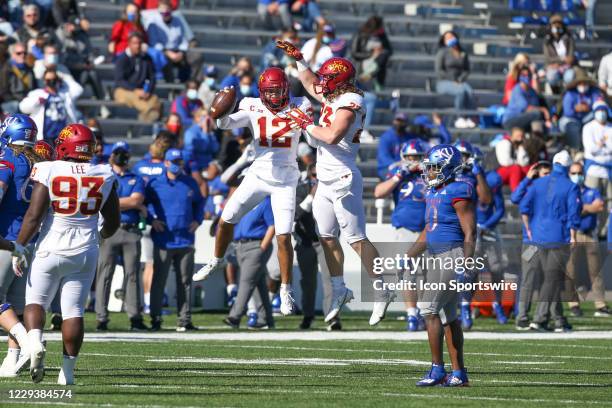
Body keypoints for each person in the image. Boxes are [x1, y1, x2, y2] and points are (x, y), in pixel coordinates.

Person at [275, 44, 394, 325]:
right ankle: (340, 289)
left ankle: (382, 288)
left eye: (328, 79)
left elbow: (331, 135)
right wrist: (300, 60)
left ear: (340, 82)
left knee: (356, 239)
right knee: (326, 236)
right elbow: (309, 82)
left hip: (343, 176)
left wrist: (305, 123)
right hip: (325, 179)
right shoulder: (334, 93)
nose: (322, 83)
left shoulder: (351, 101)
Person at [193, 67, 312, 316]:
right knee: (226, 218)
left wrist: (307, 124)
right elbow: (226, 124)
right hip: (258, 174)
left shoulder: (301, 104)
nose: (275, 96)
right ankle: (216, 260)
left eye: (279, 91)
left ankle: (286, 289)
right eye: (270, 92)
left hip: (286, 179)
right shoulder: (251, 104)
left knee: (283, 236)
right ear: (261, 92)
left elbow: (312, 141)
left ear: (287, 89)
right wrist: (218, 110)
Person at [12, 123, 120, 385]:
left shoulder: (49, 168)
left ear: (64, 145)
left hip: (50, 246)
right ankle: (67, 373)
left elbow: (34, 215)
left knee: (35, 302)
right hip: (85, 250)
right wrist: (101, 236)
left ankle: (35, 340)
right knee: (73, 311)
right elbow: (114, 221)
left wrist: (20, 246)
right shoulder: (104, 173)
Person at [406, 144, 475, 387]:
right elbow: (429, 230)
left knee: (427, 308)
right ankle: (459, 374)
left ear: (448, 168)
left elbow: (470, 232)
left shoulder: (459, 190)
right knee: (449, 317)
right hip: (437, 256)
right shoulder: (434, 192)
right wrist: (409, 255)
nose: (430, 172)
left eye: (435, 168)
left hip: (451, 255)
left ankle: (437, 369)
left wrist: (466, 264)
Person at [519, 150, 581, 332]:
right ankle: (540, 319)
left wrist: (529, 228)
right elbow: (573, 214)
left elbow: (523, 206)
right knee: (552, 279)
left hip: (537, 237)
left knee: (548, 279)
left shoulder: (537, 184)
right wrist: (573, 235)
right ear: (568, 166)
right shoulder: (570, 186)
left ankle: (558, 320)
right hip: (558, 237)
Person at [0, 114, 42, 378]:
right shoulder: (40, 162)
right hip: (32, 241)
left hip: (6, 240)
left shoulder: (6, 159)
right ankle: (11, 364)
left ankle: (29, 344)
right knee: (14, 306)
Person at [145, 148, 203, 331]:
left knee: (185, 281)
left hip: (185, 240)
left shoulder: (190, 182)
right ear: (166, 163)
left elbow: (200, 203)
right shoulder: (155, 184)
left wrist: (198, 220)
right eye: (174, 162)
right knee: (159, 281)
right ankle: (155, 318)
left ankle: (184, 319)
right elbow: (143, 204)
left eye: (180, 162)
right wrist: (151, 220)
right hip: (164, 240)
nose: (177, 165)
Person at [95, 142, 149, 331]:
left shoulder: (136, 178)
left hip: (130, 229)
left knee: (133, 274)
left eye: (123, 153)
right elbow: (101, 200)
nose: (120, 156)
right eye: (117, 153)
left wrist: (121, 203)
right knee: (104, 273)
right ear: (111, 155)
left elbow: (137, 199)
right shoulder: (105, 176)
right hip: (109, 228)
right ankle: (101, 317)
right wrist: (131, 204)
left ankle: (135, 317)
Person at [374, 140, 426, 331]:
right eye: (410, 157)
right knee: (408, 274)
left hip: (428, 230)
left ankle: (424, 312)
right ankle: (412, 315)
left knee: (430, 275)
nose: (413, 161)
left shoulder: (430, 172)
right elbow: (379, 192)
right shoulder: (397, 171)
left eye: (417, 157)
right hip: (404, 229)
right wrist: (397, 177)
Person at [132, 134, 173, 314]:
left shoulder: (139, 166)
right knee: (152, 263)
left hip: (142, 216)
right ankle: (150, 302)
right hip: (157, 217)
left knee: (149, 263)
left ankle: (151, 300)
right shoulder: (165, 168)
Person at [223, 196, 276, 329]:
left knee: (246, 282)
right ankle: (266, 319)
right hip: (241, 246)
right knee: (259, 284)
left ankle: (235, 317)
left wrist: (262, 247)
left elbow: (272, 225)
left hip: (256, 245)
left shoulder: (265, 201)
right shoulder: (242, 202)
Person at [565, 162, 610, 317]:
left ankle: (600, 304)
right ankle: (573, 304)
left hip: (590, 233)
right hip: (573, 233)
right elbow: (569, 211)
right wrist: (587, 208)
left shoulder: (592, 191)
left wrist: (581, 208)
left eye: (579, 173)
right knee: (571, 270)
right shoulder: (568, 191)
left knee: (596, 271)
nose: (577, 176)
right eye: (574, 173)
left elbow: (599, 207)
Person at [511, 160, 552, 330]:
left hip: (550, 241)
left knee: (549, 279)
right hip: (531, 243)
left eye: (549, 173)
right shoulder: (531, 188)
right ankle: (522, 317)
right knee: (528, 279)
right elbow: (514, 198)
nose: (547, 177)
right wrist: (527, 179)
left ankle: (542, 318)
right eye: (543, 173)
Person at [472, 147, 508, 325]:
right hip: (469, 231)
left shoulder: (492, 178)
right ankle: (469, 306)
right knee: (470, 271)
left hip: (489, 229)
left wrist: (486, 225)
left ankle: (498, 304)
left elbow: (500, 209)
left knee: (496, 269)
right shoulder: (459, 178)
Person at [19, 68, 82, 144]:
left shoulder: (65, 93)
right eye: (48, 80)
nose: (51, 82)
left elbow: (79, 89)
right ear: (44, 81)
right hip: (44, 136)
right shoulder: (37, 93)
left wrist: (64, 77)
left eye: (54, 80)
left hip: (63, 136)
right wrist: (37, 101)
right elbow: (23, 108)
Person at [113, 32, 161, 123]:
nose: (137, 46)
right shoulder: (122, 59)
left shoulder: (146, 58)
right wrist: (135, 90)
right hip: (122, 90)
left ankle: (146, 118)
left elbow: (152, 77)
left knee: (154, 98)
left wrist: (148, 91)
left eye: (139, 43)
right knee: (135, 98)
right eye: (135, 43)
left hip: (141, 90)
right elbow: (119, 80)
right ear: (129, 44)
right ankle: (148, 112)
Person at [55, 15, 104, 102]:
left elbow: (89, 53)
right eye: (72, 26)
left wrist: (91, 62)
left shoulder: (81, 35)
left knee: (91, 73)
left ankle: (102, 102)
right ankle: (74, 101)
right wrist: (80, 65)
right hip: (65, 70)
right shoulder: (59, 35)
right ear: (67, 25)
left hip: (81, 68)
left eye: (76, 26)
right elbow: (61, 59)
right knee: (84, 74)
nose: (74, 29)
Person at [582, 100, 611, 239]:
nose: (602, 113)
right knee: (591, 202)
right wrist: (602, 145)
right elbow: (591, 149)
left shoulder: (610, 128)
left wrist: (601, 146)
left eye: (603, 110)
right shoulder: (588, 127)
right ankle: (589, 230)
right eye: (599, 110)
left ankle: (603, 233)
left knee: (608, 204)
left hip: (608, 172)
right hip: (593, 171)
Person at [435, 31, 475, 129]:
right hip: (444, 82)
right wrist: (452, 80)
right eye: (447, 38)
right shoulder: (442, 52)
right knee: (460, 91)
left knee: (469, 91)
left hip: (459, 81)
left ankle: (469, 117)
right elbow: (439, 70)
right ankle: (460, 117)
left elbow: (467, 69)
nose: (450, 39)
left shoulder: (463, 53)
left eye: (451, 36)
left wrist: (460, 79)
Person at [146, 0, 189, 82]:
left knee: (195, 57)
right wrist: (168, 53)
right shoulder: (153, 22)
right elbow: (154, 43)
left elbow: (183, 39)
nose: (165, 14)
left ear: (171, 10)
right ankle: (172, 87)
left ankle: (189, 85)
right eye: (162, 12)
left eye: (167, 12)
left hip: (177, 50)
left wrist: (181, 52)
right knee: (164, 60)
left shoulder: (178, 21)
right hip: (163, 51)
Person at [559, 72, 603, 149]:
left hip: (587, 118)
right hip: (571, 118)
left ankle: (594, 147)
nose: (582, 85)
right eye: (580, 83)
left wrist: (588, 108)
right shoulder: (570, 94)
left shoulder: (594, 92)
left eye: (584, 83)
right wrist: (576, 109)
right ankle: (575, 149)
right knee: (572, 126)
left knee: (597, 120)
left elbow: (599, 104)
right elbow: (568, 112)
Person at [183, 107, 218, 196]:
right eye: (203, 116)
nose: (206, 118)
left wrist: (210, 132)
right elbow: (202, 147)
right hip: (195, 166)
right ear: (197, 118)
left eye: (207, 116)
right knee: (203, 186)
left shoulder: (210, 131)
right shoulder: (191, 132)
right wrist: (205, 132)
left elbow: (215, 148)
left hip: (207, 165)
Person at [502, 66, 551, 132]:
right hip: (511, 120)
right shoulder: (517, 90)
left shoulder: (532, 91)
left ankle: (539, 139)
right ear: (519, 76)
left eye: (529, 75)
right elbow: (526, 109)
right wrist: (544, 110)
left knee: (541, 121)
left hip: (526, 119)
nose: (527, 77)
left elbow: (536, 105)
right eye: (524, 75)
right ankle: (537, 139)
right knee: (537, 114)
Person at [376, 112, 419, 179]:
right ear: (394, 121)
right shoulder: (386, 137)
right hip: (387, 167)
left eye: (402, 121)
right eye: (398, 120)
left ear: (406, 123)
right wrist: (398, 165)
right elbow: (383, 157)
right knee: (398, 176)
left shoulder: (409, 138)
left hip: (406, 166)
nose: (399, 123)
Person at [0, 42, 36, 114]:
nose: (22, 55)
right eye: (18, 53)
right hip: (12, 103)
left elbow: (34, 87)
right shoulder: (5, 69)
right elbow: (3, 92)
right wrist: (19, 101)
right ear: (13, 54)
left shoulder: (29, 69)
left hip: (27, 101)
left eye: (24, 53)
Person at [543, 14, 576, 93]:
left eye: (559, 26)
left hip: (567, 67)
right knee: (551, 77)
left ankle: (567, 95)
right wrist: (562, 59)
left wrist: (558, 62)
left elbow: (570, 58)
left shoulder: (569, 39)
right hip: (553, 67)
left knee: (569, 77)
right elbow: (548, 58)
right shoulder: (547, 41)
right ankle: (557, 95)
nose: (557, 29)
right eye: (554, 26)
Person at [495, 127, 531, 191]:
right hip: (496, 171)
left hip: (509, 170)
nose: (520, 138)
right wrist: (517, 163)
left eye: (521, 136)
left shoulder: (519, 145)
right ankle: (516, 193)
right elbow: (505, 162)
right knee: (515, 168)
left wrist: (521, 147)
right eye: (518, 136)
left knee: (528, 168)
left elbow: (524, 162)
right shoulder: (504, 143)